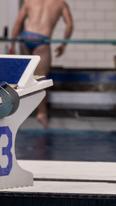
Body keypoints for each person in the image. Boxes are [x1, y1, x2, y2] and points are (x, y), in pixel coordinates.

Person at [9, 0, 74, 128]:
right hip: (41, 40)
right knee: (41, 79)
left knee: (23, 78)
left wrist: (11, 45)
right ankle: (42, 114)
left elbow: (18, 23)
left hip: (25, 38)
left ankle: (16, 113)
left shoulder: (29, 1)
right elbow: (70, 25)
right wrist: (63, 44)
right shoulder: (60, 3)